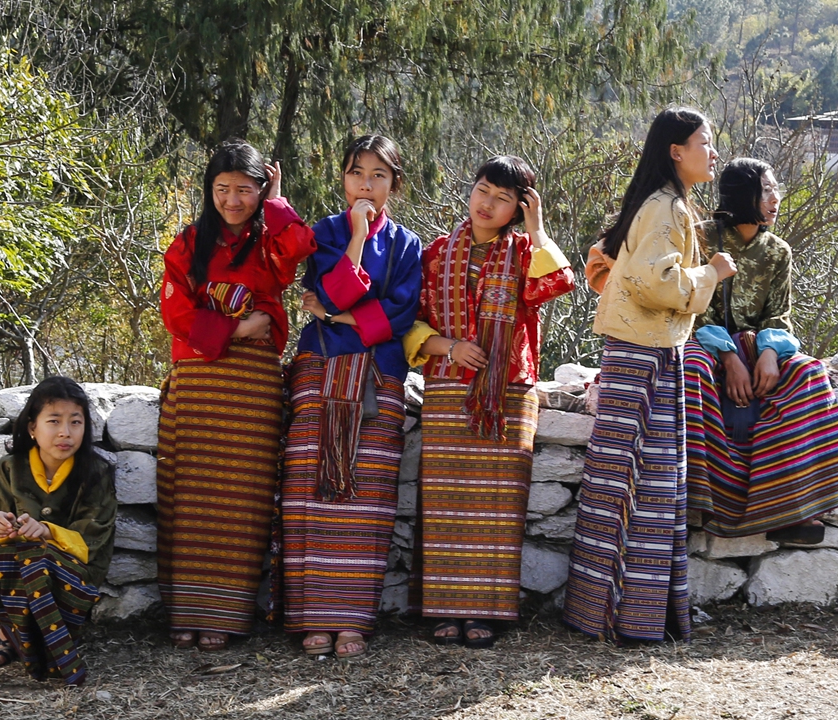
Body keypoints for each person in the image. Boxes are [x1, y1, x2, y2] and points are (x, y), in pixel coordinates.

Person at [564, 107, 736, 644]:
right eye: (704, 141)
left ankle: (608, 613)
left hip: (639, 353)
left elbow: (617, 267)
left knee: (624, 481)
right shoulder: (667, 207)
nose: (713, 152)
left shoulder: (661, 203)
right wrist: (712, 272)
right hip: (646, 356)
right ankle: (628, 617)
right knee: (646, 485)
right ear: (676, 151)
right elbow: (656, 283)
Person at [403, 155, 575, 648]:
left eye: (503, 198)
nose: (488, 203)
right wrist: (450, 347)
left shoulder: (524, 252)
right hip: (446, 385)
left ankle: (487, 610)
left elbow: (558, 283)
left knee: (499, 503)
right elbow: (411, 319)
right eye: (483, 190)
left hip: (508, 391)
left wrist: (537, 229)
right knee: (447, 503)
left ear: (518, 209)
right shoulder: (436, 252)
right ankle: (444, 608)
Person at [157, 140, 316, 651]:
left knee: (242, 499)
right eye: (222, 188)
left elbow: (299, 249)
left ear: (260, 190)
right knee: (191, 497)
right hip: (199, 382)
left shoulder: (269, 242)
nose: (232, 200)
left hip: (252, 387)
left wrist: (278, 201)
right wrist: (240, 327)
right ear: (209, 190)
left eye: (245, 190)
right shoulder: (188, 243)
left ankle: (226, 615)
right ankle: (186, 611)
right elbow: (175, 314)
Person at [281, 135, 422, 658]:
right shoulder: (324, 233)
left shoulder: (408, 246)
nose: (366, 184)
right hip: (319, 370)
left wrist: (337, 316)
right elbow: (334, 289)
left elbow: (399, 317)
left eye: (378, 175)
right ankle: (312, 619)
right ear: (343, 178)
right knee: (309, 491)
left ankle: (352, 619)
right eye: (356, 173)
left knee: (367, 499)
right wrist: (358, 238)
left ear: (394, 185)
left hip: (380, 378)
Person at [684, 158, 838, 542]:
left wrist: (770, 353)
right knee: (690, 371)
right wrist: (729, 358)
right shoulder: (699, 238)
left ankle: (793, 510)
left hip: (757, 348)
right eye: (766, 190)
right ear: (743, 195)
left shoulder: (777, 251)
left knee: (809, 373)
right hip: (703, 344)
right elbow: (693, 308)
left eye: (776, 190)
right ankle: (696, 503)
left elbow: (779, 314)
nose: (775, 199)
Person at [0, 376, 117, 686]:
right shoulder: (10, 467)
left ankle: (27, 637)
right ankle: (14, 630)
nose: (65, 432)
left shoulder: (96, 472)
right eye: (54, 421)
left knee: (38, 561)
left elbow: (94, 536)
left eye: (75, 422)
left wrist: (46, 532)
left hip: (72, 571)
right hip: (18, 561)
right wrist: (0, 527)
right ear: (32, 427)